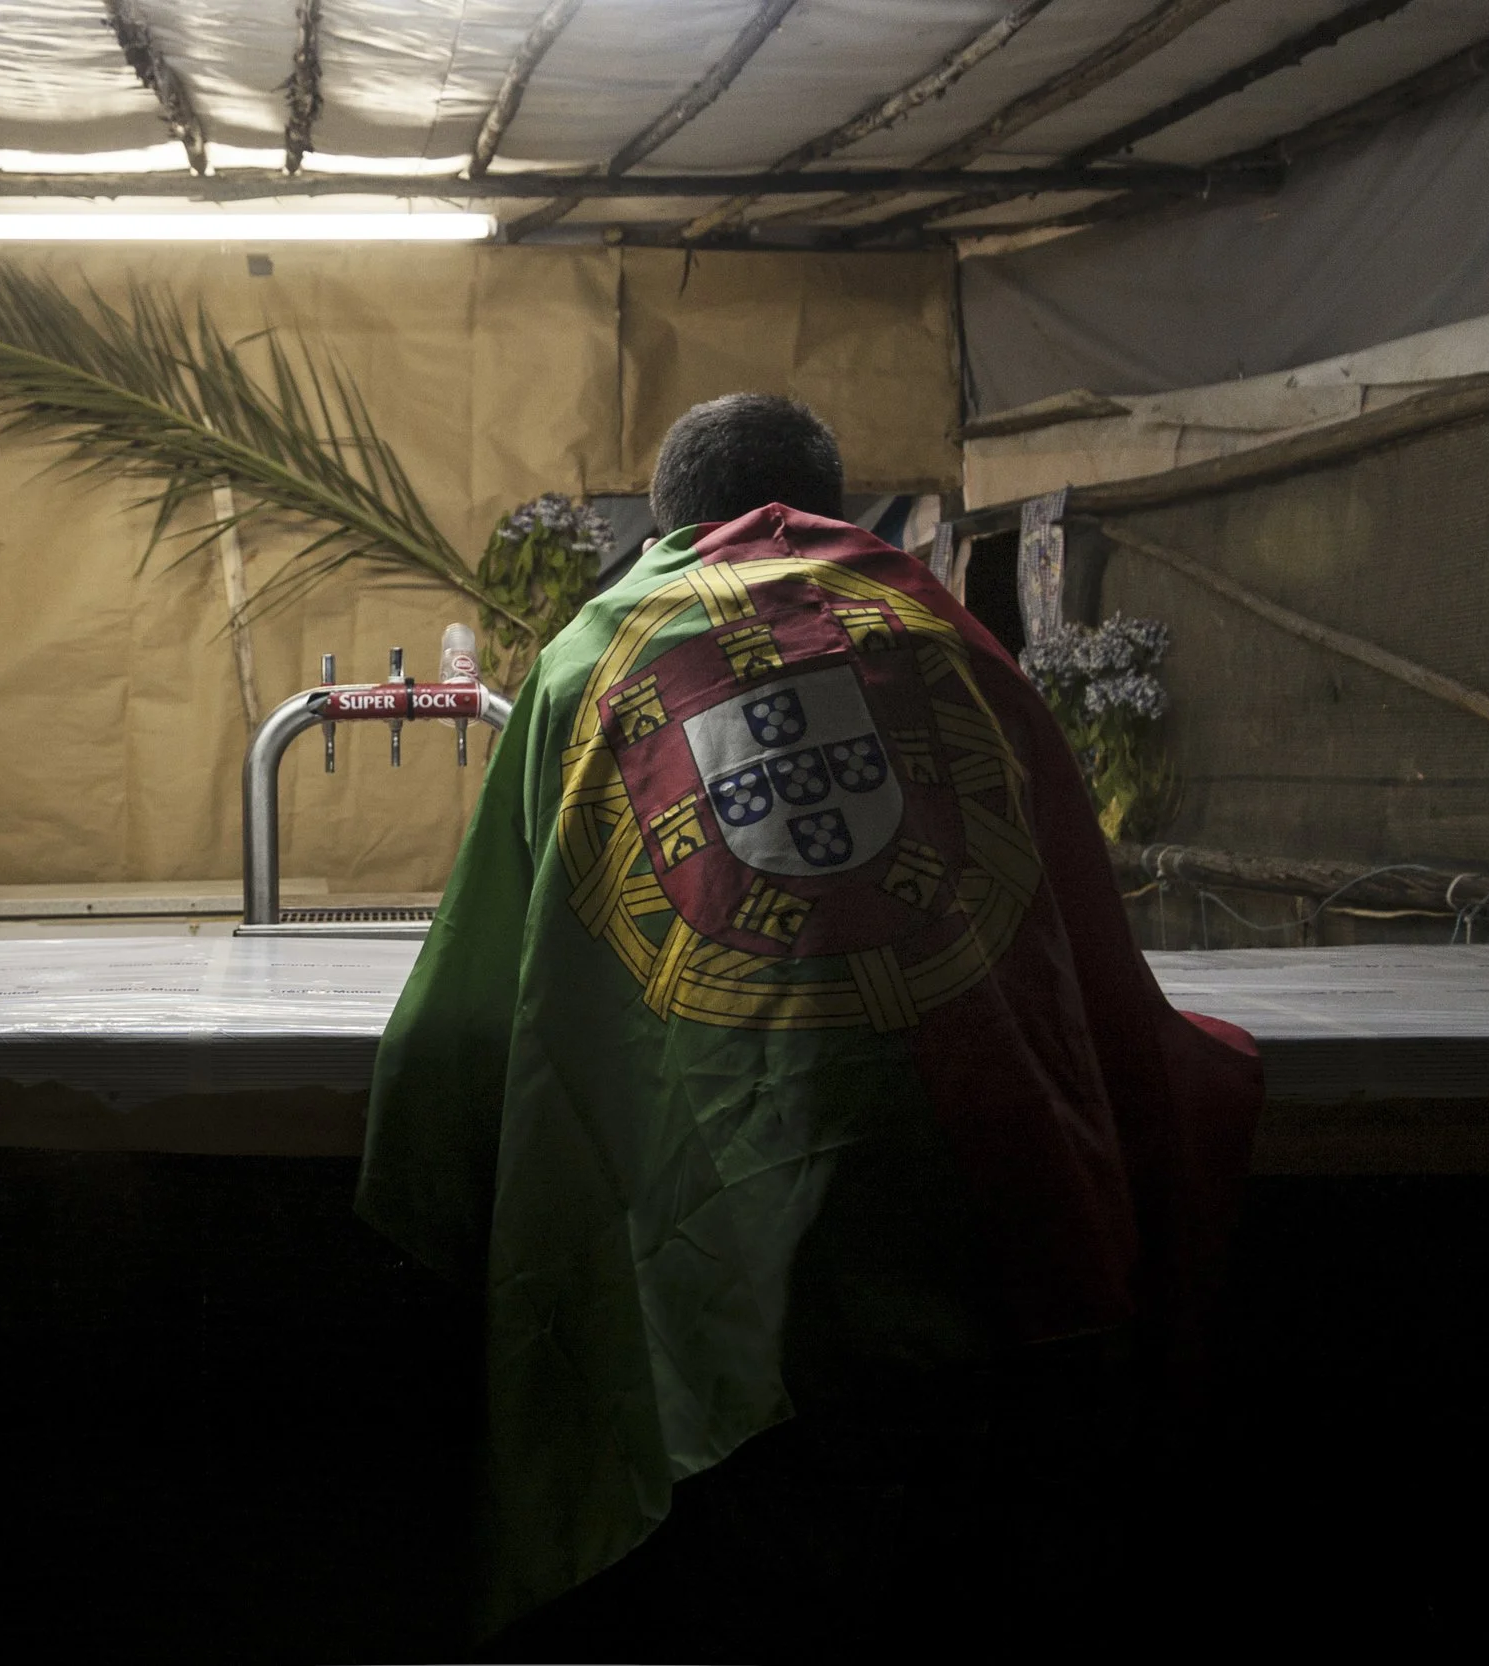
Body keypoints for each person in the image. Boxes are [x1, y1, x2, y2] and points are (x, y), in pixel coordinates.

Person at [359, 395, 1262, 1654]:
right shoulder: (947, 637)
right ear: (839, 515)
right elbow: (1074, 931)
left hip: (733, 1253)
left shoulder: (591, 659)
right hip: (996, 1213)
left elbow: (472, 1004)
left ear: (662, 532)